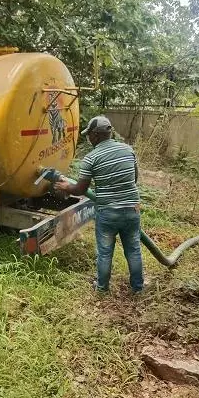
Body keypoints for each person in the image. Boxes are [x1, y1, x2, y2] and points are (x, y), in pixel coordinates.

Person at [54, 115, 144, 293]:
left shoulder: (90, 158)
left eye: (89, 135)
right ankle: (138, 288)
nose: (88, 138)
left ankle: (102, 289)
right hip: (132, 209)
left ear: (95, 135)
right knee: (133, 250)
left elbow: (80, 189)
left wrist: (65, 186)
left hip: (108, 212)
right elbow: (134, 178)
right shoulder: (128, 150)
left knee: (105, 252)